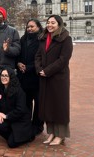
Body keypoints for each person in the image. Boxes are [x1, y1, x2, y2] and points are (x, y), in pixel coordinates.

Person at [35, 15, 73, 145]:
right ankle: (51, 133)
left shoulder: (66, 39)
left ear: (59, 24)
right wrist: (39, 69)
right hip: (44, 77)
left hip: (58, 78)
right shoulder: (43, 38)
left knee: (59, 106)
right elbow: (38, 56)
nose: (50, 25)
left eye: (53, 23)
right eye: (48, 22)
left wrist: (47, 70)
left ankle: (60, 135)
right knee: (48, 106)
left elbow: (63, 59)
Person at [0, 67, 35, 148]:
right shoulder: (0, 89)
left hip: (20, 121)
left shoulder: (19, 91)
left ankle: (27, 136)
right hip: (9, 120)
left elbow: (20, 110)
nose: (4, 77)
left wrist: (6, 116)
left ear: (11, 77)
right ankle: (13, 135)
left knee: (11, 144)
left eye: (6, 76)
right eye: (2, 75)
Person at [16, 19, 44, 136]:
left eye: (32, 26)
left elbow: (42, 59)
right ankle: (26, 123)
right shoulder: (23, 39)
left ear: (38, 27)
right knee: (25, 102)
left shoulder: (42, 40)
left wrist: (29, 67)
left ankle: (38, 125)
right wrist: (18, 63)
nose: (29, 29)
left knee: (38, 103)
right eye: (28, 27)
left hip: (37, 77)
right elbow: (17, 54)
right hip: (23, 78)